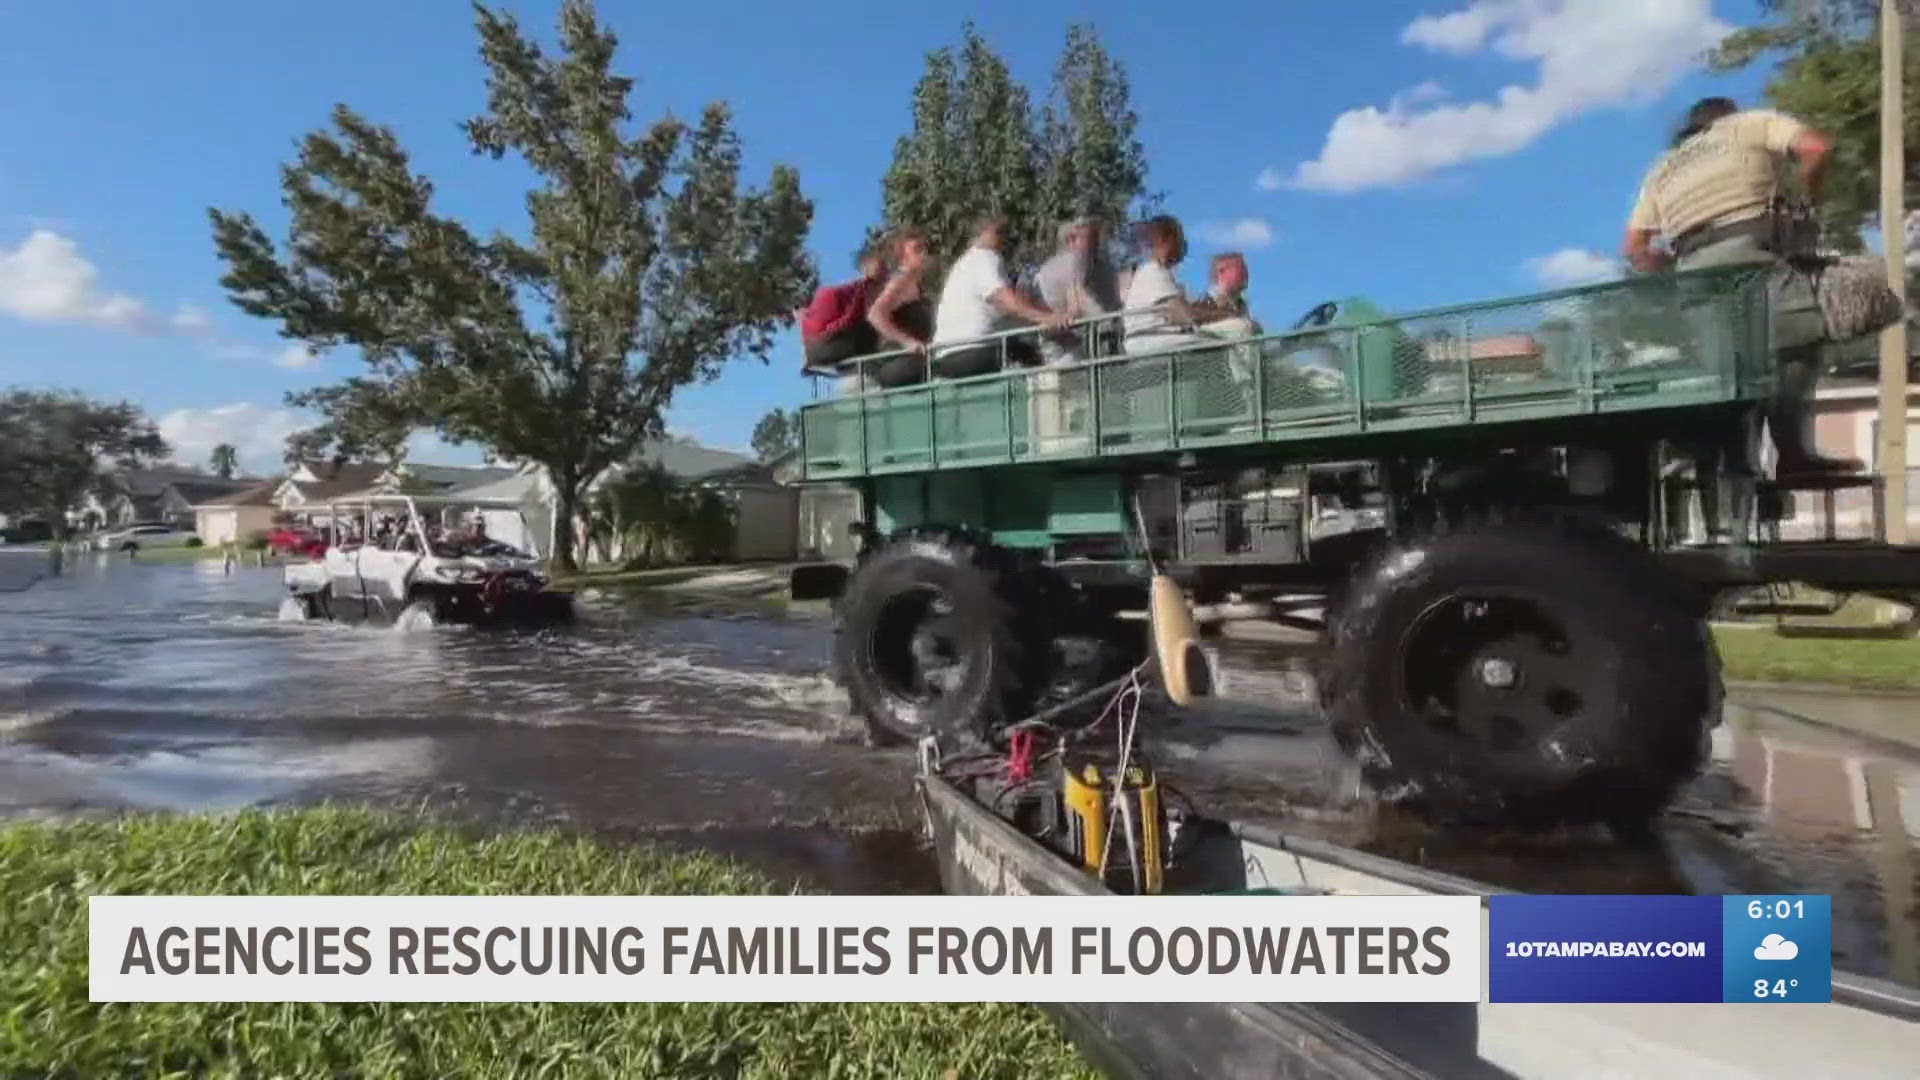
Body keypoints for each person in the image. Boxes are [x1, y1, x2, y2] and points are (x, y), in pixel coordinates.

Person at [1622, 96, 1857, 477]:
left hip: (1695, 271)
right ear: (1727, 117)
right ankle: (1793, 456)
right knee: (1795, 348)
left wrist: (1677, 270)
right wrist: (1807, 203)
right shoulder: (1750, 124)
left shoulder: (1663, 167)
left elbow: (1634, 248)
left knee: (1725, 370)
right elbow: (1815, 148)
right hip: (1752, 253)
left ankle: (1719, 460)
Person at [930, 215, 1070, 378]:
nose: (1004, 238)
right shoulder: (984, 257)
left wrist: (1038, 320)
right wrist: (1049, 318)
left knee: (1021, 346)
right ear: (983, 233)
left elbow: (1007, 311)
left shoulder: (964, 264)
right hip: (973, 351)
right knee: (1033, 356)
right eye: (999, 232)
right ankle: (1050, 395)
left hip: (946, 356)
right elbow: (1008, 302)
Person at [1122, 216, 1249, 355]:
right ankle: (1248, 376)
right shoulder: (1153, 271)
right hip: (1156, 339)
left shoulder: (1156, 272)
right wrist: (1227, 314)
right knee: (1242, 327)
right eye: (1180, 238)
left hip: (1157, 337)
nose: (1184, 244)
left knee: (1229, 329)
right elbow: (1182, 315)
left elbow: (1181, 309)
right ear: (1167, 239)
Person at [1030, 217, 1124, 363]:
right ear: (1070, 240)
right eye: (1089, 238)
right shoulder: (1057, 268)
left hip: (1099, 337)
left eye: (1095, 238)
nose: (1095, 244)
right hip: (1061, 344)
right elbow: (1074, 304)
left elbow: (1114, 301)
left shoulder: (1106, 269)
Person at [862, 229, 939, 388]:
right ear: (903, 258)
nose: (924, 254)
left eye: (924, 248)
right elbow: (875, 315)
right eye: (917, 249)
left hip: (913, 360)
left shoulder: (916, 285)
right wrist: (907, 342)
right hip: (898, 361)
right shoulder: (901, 280)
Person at [798, 247, 888, 371]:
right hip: (824, 347)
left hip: (812, 349)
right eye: (884, 278)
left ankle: (852, 368)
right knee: (870, 326)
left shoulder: (848, 290)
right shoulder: (861, 291)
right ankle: (870, 370)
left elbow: (803, 316)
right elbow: (845, 322)